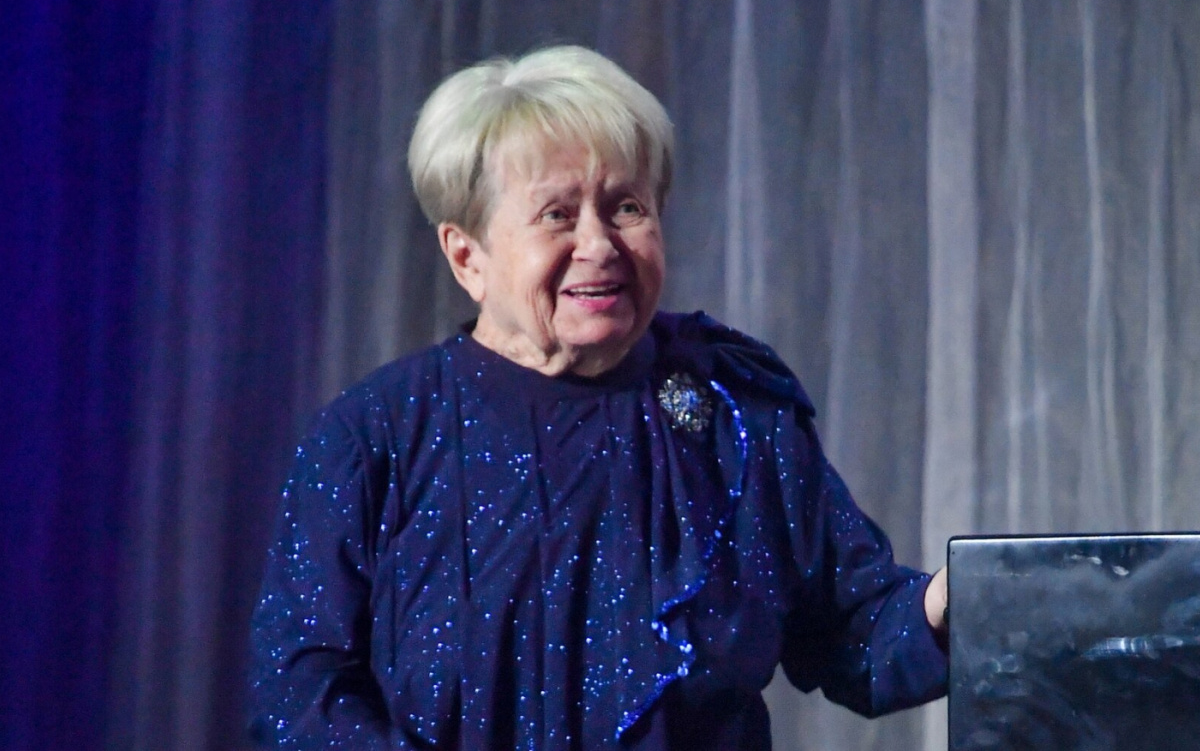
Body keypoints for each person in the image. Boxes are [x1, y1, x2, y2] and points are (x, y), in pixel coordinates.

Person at [249, 45, 949, 750]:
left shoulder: (736, 408)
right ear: (467, 256)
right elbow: (300, 700)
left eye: (627, 208)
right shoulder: (372, 437)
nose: (600, 244)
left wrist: (959, 601)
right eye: (557, 214)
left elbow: (855, 628)